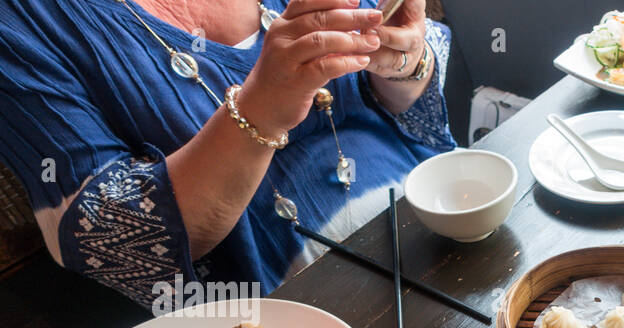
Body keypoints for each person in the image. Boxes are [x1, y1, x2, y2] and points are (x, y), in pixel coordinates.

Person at [0, 0, 455, 309]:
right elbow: (109, 239)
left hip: (446, 227)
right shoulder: (23, 21)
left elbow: (415, 66)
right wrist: (260, 111)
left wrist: (405, 62)